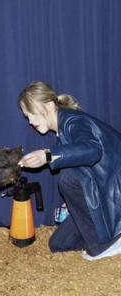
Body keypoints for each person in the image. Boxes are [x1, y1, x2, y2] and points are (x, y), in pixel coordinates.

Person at [18, 81, 121, 260]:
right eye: (27, 117)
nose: (30, 122)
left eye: (30, 115)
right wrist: (75, 201)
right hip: (102, 190)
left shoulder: (73, 120)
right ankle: (108, 236)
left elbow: (92, 150)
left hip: (113, 193)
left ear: (49, 106)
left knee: (67, 179)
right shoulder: (63, 133)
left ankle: (104, 245)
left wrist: (47, 156)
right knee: (58, 244)